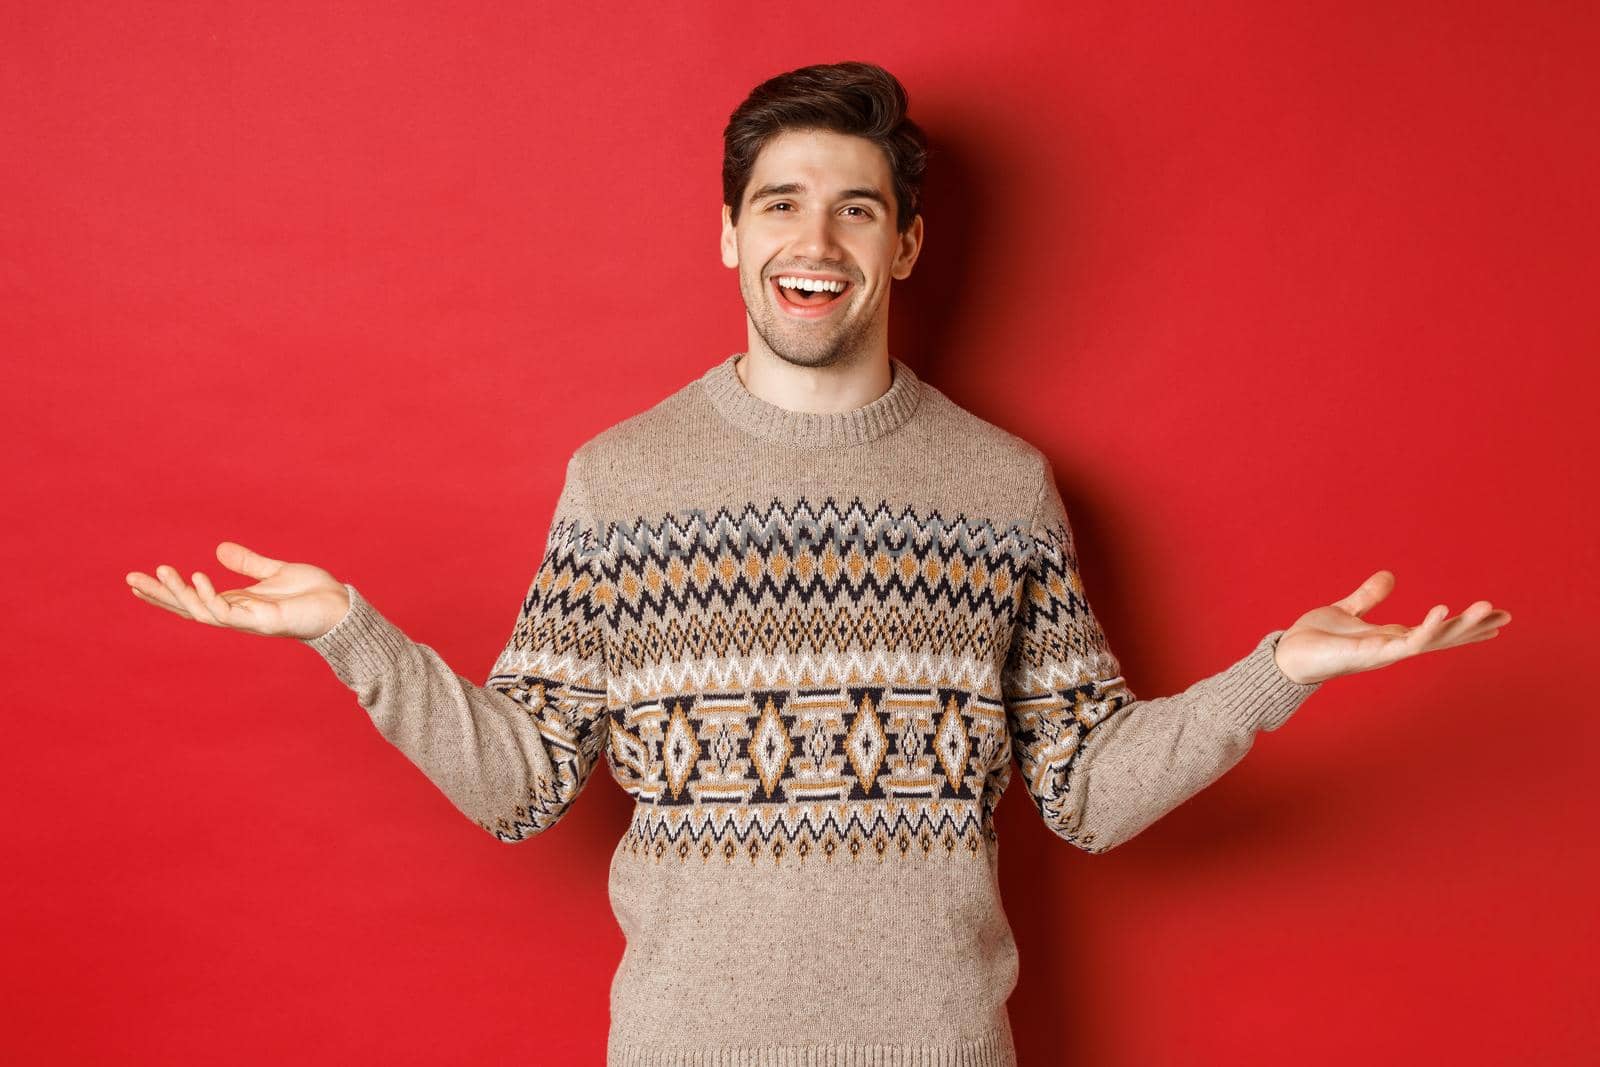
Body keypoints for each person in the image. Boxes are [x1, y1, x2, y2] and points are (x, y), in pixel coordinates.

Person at [125, 61, 1510, 1067]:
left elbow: (1085, 791)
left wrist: (1279, 674)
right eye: (780, 203)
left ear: (902, 245)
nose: (814, 239)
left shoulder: (1001, 488)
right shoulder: (622, 482)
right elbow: (525, 783)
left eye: (855, 209)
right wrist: (349, 633)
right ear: (727, 235)